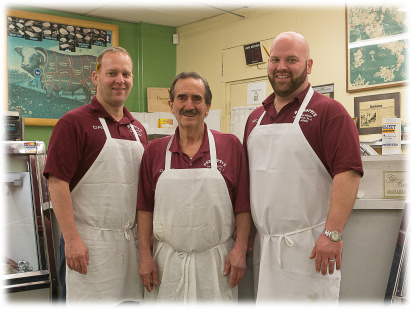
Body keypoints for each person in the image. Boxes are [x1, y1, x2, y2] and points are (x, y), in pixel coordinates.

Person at [243, 32, 363, 301]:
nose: (281, 67)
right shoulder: (254, 119)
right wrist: (246, 235)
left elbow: (349, 174)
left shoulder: (331, 113)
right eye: (275, 59)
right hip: (266, 247)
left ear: (308, 66)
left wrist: (332, 234)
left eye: (291, 59)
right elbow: (251, 182)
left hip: (312, 249)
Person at [44, 46, 147, 304]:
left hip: (127, 247)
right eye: (112, 73)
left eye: (126, 74)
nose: (120, 80)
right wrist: (71, 239)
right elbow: (57, 183)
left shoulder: (138, 130)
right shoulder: (73, 123)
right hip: (86, 245)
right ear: (95, 77)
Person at [137, 72, 251, 302]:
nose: (189, 105)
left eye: (197, 99)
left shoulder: (230, 146)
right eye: (182, 98)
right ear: (171, 105)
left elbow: (243, 205)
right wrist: (144, 256)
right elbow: (144, 208)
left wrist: (239, 250)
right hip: (166, 264)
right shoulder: (155, 151)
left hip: (217, 264)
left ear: (208, 106)